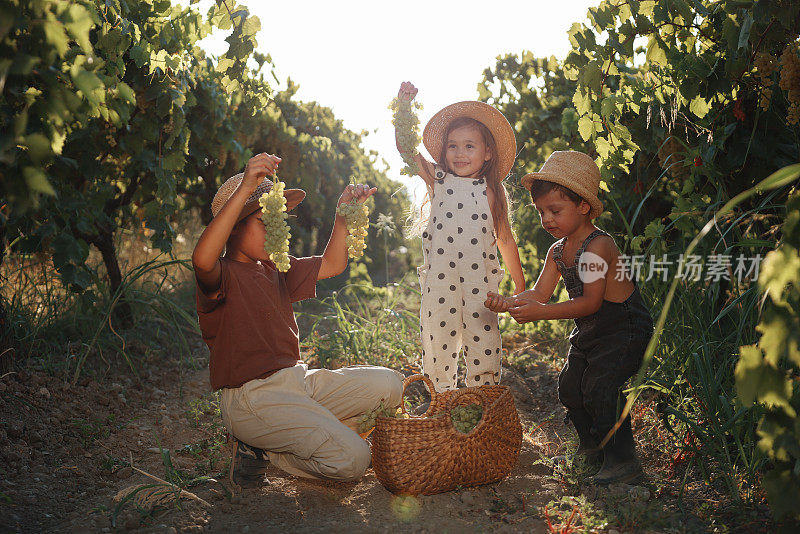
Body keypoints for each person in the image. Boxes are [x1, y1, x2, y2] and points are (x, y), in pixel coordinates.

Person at [191, 152, 403, 486]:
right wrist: (247, 186)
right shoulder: (221, 276)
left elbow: (332, 265)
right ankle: (261, 448)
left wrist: (342, 215)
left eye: (279, 224)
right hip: (254, 401)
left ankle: (302, 432)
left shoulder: (276, 268)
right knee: (355, 460)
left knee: (391, 386)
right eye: (265, 223)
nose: (277, 234)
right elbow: (201, 259)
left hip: (298, 384)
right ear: (232, 229)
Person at [484, 150, 654, 485]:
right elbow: (540, 294)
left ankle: (623, 461)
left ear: (584, 207)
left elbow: (590, 302)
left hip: (624, 329)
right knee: (571, 387)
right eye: (541, 212)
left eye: (555, 210)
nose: (547, 219)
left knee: (601, 387)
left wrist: (540, 314)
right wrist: (509, 301)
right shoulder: (558, 251)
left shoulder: (598, 247)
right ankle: (591, 450)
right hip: (592, 330)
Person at [394, 82, 525, 394]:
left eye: (470, 146)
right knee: (437, 341)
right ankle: (441, 402)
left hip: (481, 284)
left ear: (488, 152)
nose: (459, 153)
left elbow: (505, 240)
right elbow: (407, 151)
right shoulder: (438, 180)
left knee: (485, 343)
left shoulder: (491, 192)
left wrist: (520, 287)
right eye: (452, 145)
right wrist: (403, 108)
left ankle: (482, 400)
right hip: (440, 281)